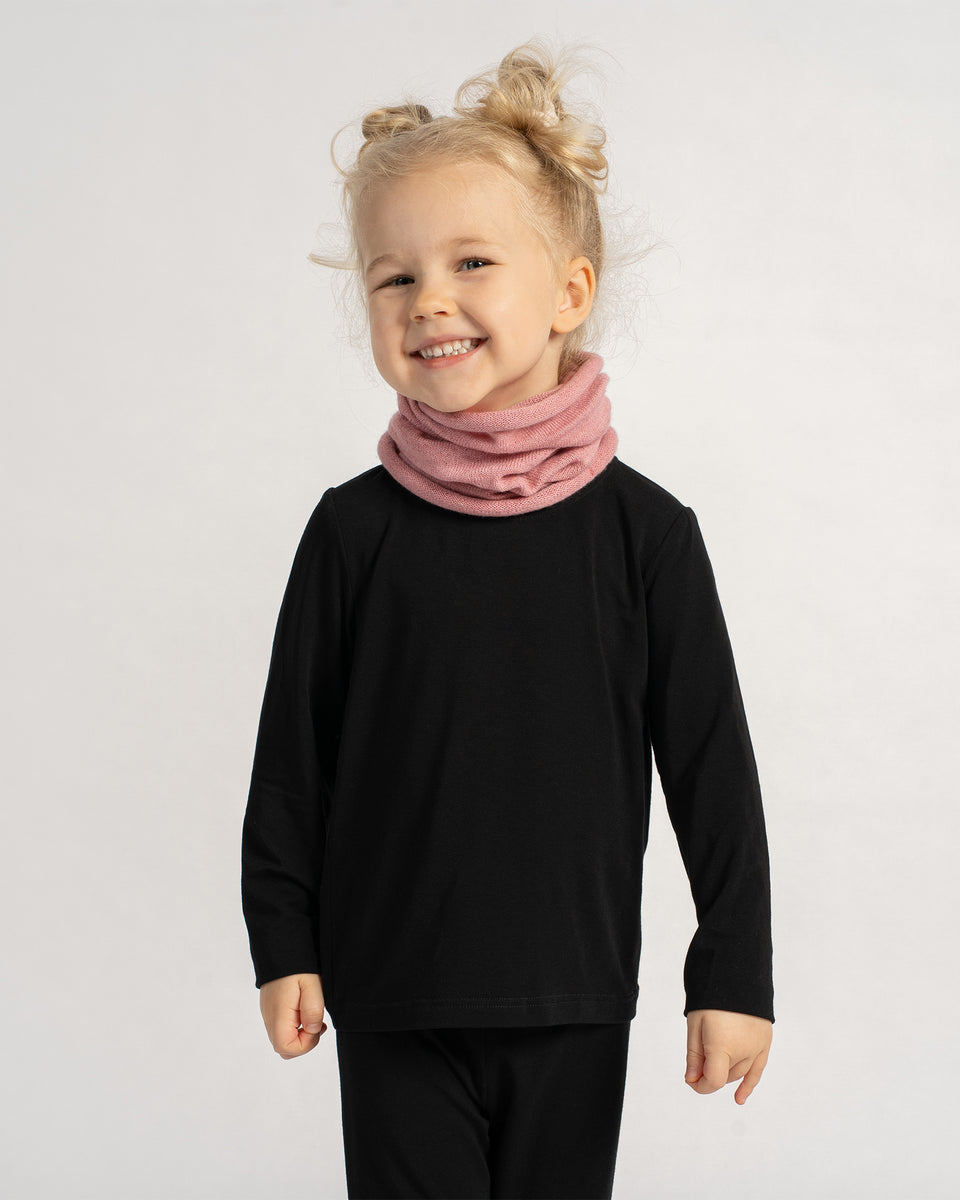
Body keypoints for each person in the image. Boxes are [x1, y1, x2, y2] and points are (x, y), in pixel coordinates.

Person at [241, 38, 774, 1200]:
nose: (428, 299)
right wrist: (282, 941)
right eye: (393, 278)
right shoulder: (352, 533)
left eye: (471, 261)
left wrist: (734, 969)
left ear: (570, 292)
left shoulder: (646, 537)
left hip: (571, 996)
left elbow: (712, 770)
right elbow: (292, 761)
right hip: (388, 994)